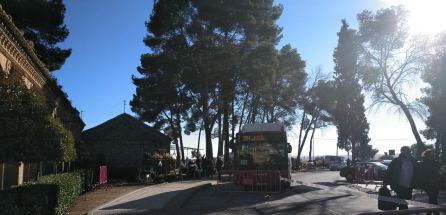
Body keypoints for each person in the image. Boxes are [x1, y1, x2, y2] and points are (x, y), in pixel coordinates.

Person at [384, 146, 416, 210]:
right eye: (403, 151)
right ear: (401, 152)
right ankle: (404, 212)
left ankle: (404, 211)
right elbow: (389, 171)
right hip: (399, 184)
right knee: (402, 202)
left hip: (409, 185)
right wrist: (385, 182)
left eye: (407, 151)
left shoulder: (413, 160)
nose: (405, 152)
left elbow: (417, 171)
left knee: (405, 200)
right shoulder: (396, 161)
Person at [418, 149, 441, 214]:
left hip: (434, 183)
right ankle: (435, 213)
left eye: (433, 155)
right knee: (433, 198)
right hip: (428, 183)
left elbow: (439, 172)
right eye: (431, 155)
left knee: (433, 198)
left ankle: (430, 213)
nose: (432, 156)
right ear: (426, 155)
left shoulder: (434, 162)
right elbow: (422, 174)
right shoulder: (424, 163)